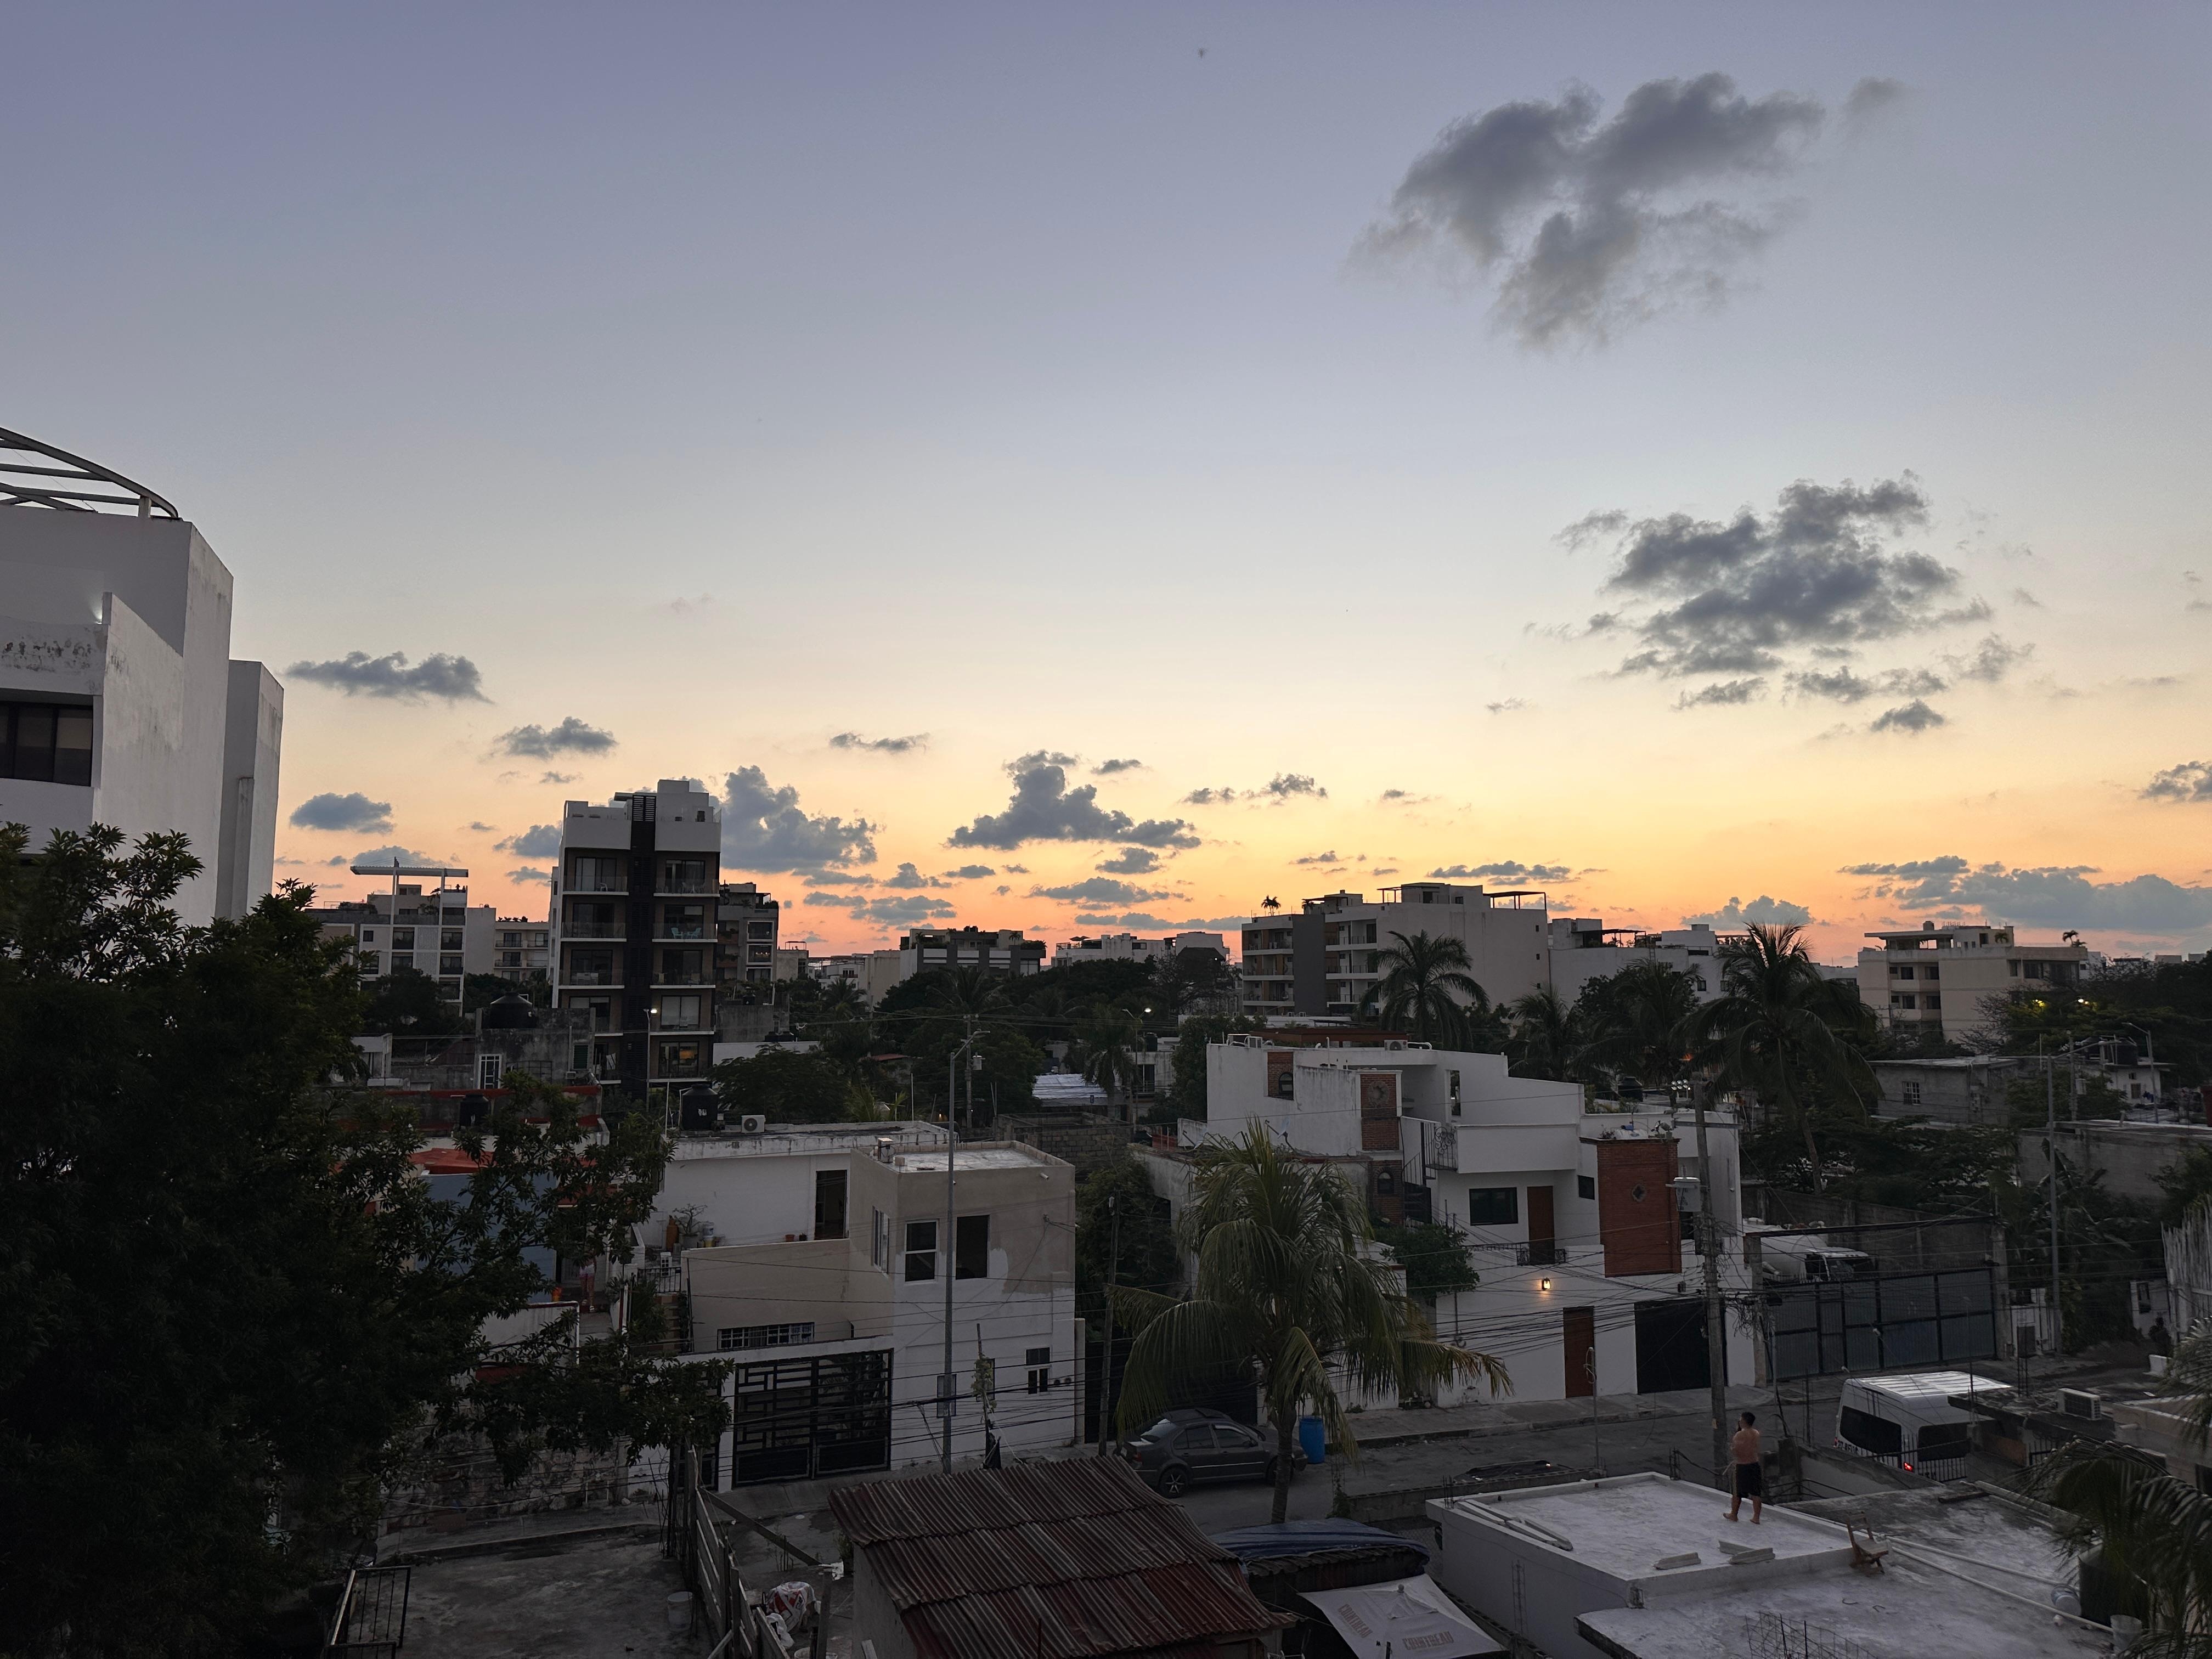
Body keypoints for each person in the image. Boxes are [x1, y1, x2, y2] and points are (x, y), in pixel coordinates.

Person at [1726, 1410, 1764, 1524]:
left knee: (1737, 1493)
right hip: (1754, 1464)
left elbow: (1736, 1450)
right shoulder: (1756, 1433)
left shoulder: (1740, 1435)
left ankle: (1734, 1515)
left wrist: (1732, 1449)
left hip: (1742, 1466)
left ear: (1743, 1421)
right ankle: (1756, 1517)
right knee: (1756, 1493)